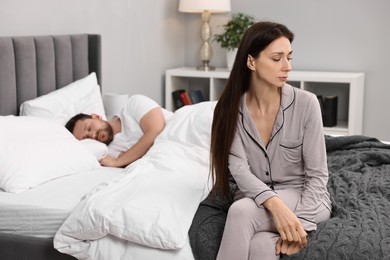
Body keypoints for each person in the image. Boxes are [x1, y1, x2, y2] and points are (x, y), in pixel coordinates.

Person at [210, 21, 332, 260]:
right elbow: (239, 170)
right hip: (258, 197)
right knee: (260, 246)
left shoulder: (307, 103)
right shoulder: (228, 110)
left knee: (240, 212)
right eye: (277, 59)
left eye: (289, 57)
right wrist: (275, 205)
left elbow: (317, 175)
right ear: (251, 61)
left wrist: (301, 225)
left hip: (306, 198)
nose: (287, 67)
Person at [65, 94, 172, 168]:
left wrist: (118, 162)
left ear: (96, 116)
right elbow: (133, 162)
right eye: (87, 138)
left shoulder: (132, 105)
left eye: (89, 128)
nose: (93, 135)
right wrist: (119, 161)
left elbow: (156, 130)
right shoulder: (108, 151)